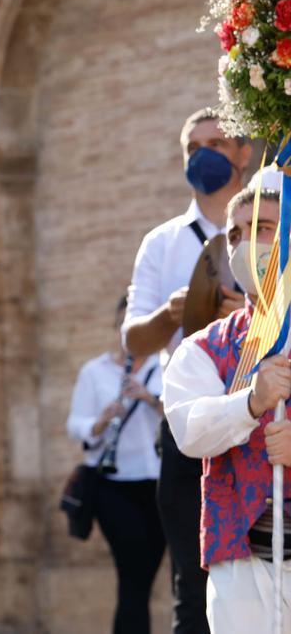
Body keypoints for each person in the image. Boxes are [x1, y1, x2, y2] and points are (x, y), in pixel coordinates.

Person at [122, 108, 253, 634]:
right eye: (192, 147)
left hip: (258, 409)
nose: (204, 155)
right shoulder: (162, 242)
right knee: (192, 585)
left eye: (217, 143)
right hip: (186, 425)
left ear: (242, 153)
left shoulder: (271, 227)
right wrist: (171, 316)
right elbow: (133, 341)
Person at [163, 186, 291, 632]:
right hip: (241, 562)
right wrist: (250, 403)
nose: (244, 243)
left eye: (263, 228)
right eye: (235, 234)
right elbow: (188, 430)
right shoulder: (204, 348)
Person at [67, 296, 165, 633]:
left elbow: (184, 420)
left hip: (156, 486)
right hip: (112, 487)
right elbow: (75, 424)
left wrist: (149, 398)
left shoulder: (164, 368)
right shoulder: (94, 372)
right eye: (125, 327)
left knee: (142, 578)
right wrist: (101, 420)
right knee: (133, 574)